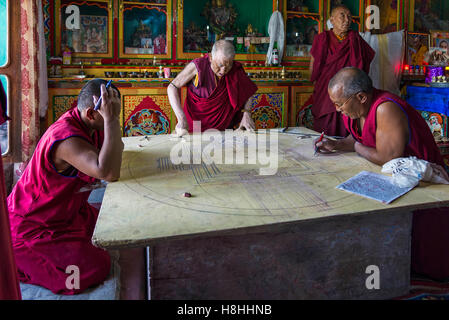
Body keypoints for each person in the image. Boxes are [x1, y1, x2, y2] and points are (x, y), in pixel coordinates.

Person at [316, 67, 449, 280]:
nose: (337, 109)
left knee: (425, 253)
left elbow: (388, 156)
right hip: (394, 180)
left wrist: (356, 148)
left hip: (425, 186)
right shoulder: (357, 109)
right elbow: (358, 137)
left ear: (361, 96)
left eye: (339, 103)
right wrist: (337, 144)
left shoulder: (385, 108)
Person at [7, 79, 124, 294]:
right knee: (95, 267)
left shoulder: (88, 124)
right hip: (31, 226)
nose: (115, 113)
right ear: (91, 113)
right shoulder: (66, 138)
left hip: (66, 212)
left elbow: (117, 149)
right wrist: (112, 120)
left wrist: (109, 120)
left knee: (114, 224)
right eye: (110, 110)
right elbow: (109, 172)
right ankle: (13, 261)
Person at [305, 4, 375, 137]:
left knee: (348, 122)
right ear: (332, 20)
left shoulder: (356, 39)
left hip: (349, 90)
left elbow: (363, 67)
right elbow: (314, 66)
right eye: (342, 16)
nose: (347, 20)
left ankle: (347, 148)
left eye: (349, 17)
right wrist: (313, 82)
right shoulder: (322, 39)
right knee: (325, 127)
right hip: (326, 89)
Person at [167, 40, 258, 136]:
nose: (223, 71)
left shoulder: (236, 69)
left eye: (228, 65)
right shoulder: (198, 66)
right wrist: (181, 118)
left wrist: (247, 113)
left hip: (225, 126)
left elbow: (248, 91)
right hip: (197, 125)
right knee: (198, 148)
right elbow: (172, 87)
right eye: (220, 65)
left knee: (225, 150)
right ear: (210, 57)